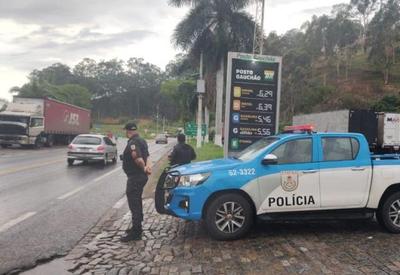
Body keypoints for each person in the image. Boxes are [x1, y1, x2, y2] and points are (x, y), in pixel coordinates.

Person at [120, 122, 151, 242]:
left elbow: (137, 159)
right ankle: (137, 226)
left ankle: (136, 231)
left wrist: (143, 168)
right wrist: (148, 168)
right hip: (141, 177)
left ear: (128, 131)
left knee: (134, 203)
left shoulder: (133, 143)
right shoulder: (142, 140)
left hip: (135, 177)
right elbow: (147, 157)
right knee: (137, 201)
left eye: (126, 131)